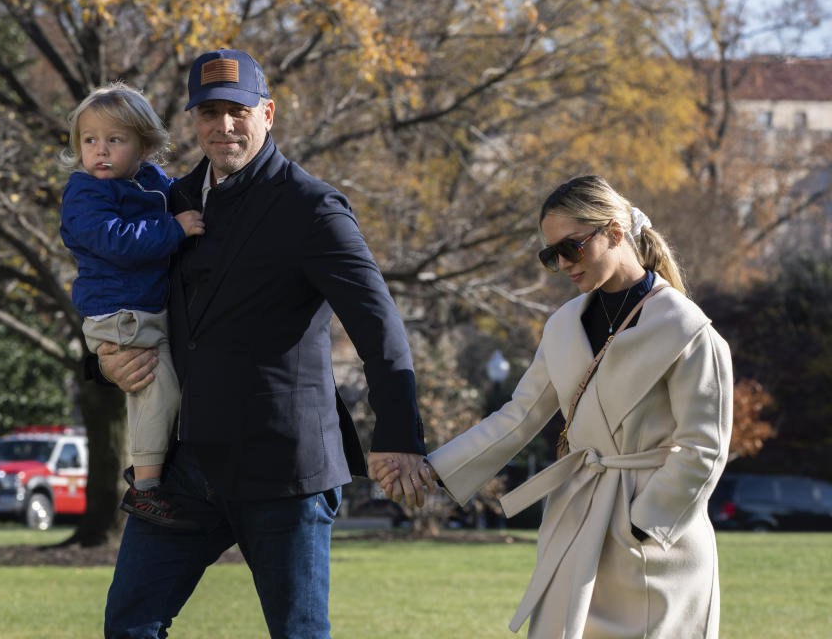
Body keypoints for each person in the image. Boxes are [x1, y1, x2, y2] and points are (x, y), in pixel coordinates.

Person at [94, 49, 435, 639]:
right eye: (209, 112)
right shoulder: (170, 203)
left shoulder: (313, 207)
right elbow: (122, 292)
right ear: (193, 120)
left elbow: (378, 326)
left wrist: (400, 436)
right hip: (184, 467)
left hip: (286, 474)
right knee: (128, 626)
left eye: (238, 111)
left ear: (267, 113)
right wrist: (103, 362)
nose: (223, 126)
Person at [377, 175, 733, 638]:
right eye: (551, 255)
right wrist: (432, 470)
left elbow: (703, 447)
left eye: (572, 247)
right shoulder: (564, 325)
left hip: (655, 547)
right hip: (577, 524)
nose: (562, 263)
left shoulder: (687, 330)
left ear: (614, 232)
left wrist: (643, 525)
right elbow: (519, 415)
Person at [59, 83, 205, 527]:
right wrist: (175, 231)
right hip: (119, 314)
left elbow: (180, 191)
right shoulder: (86, 194)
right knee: (158, 390)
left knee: (162, 389)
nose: (100, 151)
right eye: (90, 141)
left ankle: (151, 470)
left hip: (142, 310)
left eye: (114, 140)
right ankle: (144, 489)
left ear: (143, 146)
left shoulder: (149, 182)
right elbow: (117, 242)